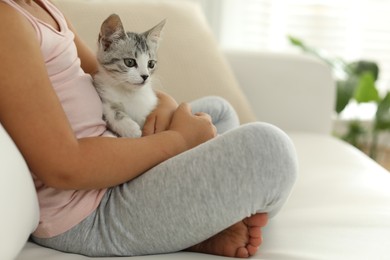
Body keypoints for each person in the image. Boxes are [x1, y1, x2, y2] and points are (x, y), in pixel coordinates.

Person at [0, 0, 297, 258]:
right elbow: (63, 167)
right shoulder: (6, 22)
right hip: (90, 211)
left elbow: (102, 71)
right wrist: (178, 139)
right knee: (270, 150)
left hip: (117, 156)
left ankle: (188, 226)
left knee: (218, 111)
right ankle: (196, 226)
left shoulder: (41, 7)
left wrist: (163, 105)